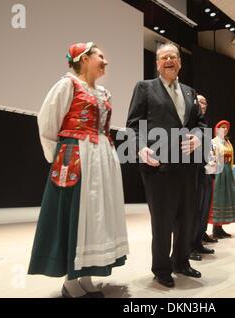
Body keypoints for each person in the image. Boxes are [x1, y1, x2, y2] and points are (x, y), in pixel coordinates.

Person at [28, 42, 129, 298]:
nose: (106, 61)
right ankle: (71, 281)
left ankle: (86, 276)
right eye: (101, 56)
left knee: (96, 216)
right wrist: (58, 159)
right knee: (77, 213)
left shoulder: (104, 93)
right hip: (77, 158)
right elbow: (47, 123)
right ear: (83, 59)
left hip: (101, 159)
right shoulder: (67, 85)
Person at [126, 42, 206, 288]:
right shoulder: (145, 88)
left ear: (180, 62)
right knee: (162, 221)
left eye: (173, 56)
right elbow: (133, 123)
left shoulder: (191, 92)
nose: (169, 60)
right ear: (157, 64)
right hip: (158, 166)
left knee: (187, 218)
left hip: (187, 167)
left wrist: (199, 137)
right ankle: (161, 268)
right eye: (163, 57)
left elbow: (200, 124)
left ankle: (181, 261)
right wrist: (140, 147)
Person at [189, 95, 216, 262]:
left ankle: (198, 241)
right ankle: (189, 246)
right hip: (195, 172)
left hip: (207, 173)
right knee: (194, 211)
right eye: (199, 101)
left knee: (204, 211)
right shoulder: (190, 124)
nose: (202, 104)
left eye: (205, 102)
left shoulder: (204, 124)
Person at [209, 120, 235, 239]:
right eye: (222, 127)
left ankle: (220, 228)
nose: (225, 129)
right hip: (219, 171)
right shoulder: (214, 142)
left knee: (226, 198)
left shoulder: (227, 142)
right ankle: (215, 228)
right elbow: (211, 157)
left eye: (226, 128)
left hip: (227, 170)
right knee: (218, 198)